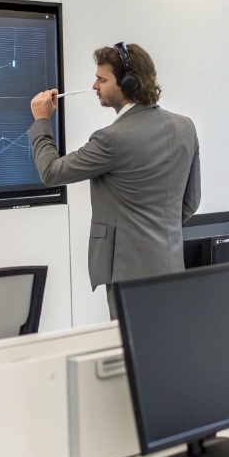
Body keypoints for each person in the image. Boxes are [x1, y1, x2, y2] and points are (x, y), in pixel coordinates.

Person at [28, 42, 200, 319]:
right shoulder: (185, 127)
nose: (94, 85)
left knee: (129, 345)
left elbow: (51, 172)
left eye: (102, 79)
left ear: (128, 83)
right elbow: (191, 202)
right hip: (171, 267)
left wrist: (42, 121)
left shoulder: (111, 139)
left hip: (128, 276)